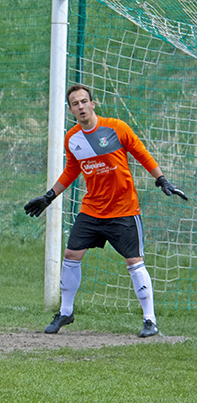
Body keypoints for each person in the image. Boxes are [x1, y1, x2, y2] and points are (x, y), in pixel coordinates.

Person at [24, 84, 187, 337]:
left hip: (123, 210)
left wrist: (162, 179)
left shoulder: (116, 128)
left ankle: (150, 320)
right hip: (92, 210)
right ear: (70, 110)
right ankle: (66, 312)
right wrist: (49, 196)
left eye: (84, 101)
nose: (80, 107)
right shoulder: (72, 138)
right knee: (71, 254)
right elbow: (71, 170)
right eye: (75, 104)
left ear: (93, 103)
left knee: (134, 262)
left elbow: (141, 153)